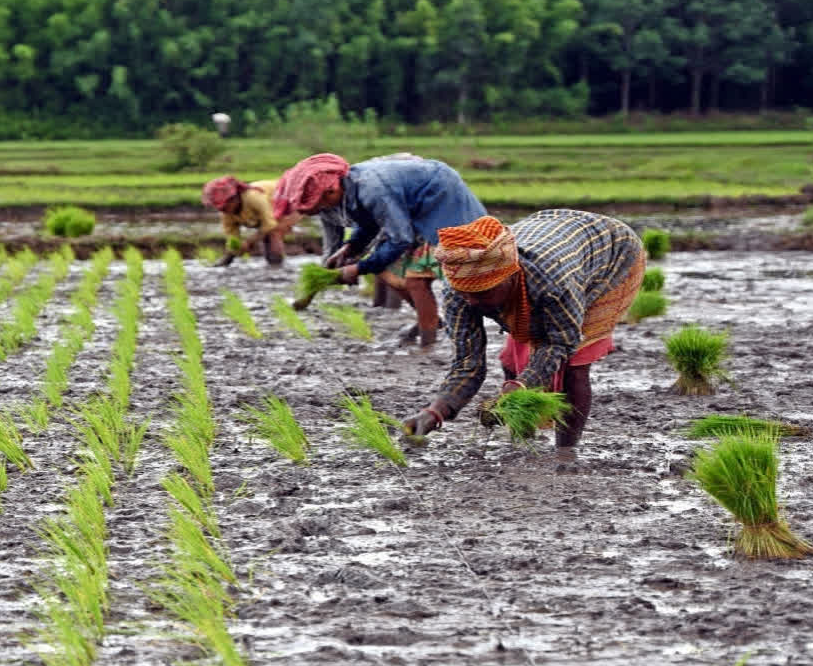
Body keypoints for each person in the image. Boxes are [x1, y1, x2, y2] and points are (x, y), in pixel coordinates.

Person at [402, 210, 646, 450]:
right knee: (512, 359)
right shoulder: (460, 293)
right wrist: (435, 411)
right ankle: (522, 442)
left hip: (610, 255)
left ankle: (566, 452)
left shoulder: (554, 284)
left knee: (574, 363)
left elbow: (561, 342)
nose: (473, 302)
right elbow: (468, 363)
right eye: (466, 293)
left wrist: (523, 384)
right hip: (550, 235)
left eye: (483, 293)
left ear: (510, 276)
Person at [274, 153, 487, 348]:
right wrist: (351, 247)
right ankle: (430, 322)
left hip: (439, 199)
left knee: (432, 276)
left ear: (332, 189)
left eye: (323, 203)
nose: (324, 210)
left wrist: (358, 268)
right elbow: (369, 224)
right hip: (410, 215)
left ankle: (430, 340)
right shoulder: (340, 198)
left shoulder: (372, 188)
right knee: (392, 273)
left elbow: (400, 238)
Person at [202, 176, 299, 267]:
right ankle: (274, 268)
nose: (223, 210)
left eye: (224, 206)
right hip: (270, 214)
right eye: (220, 208)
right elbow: (232, 237)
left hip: (288, 201)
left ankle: (277, 269)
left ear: (234, 198)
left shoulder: (253, 197)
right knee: (266, 237)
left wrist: (249, 242)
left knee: (273, 234)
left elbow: (270, 224)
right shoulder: (227, 213)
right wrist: (227, 260)